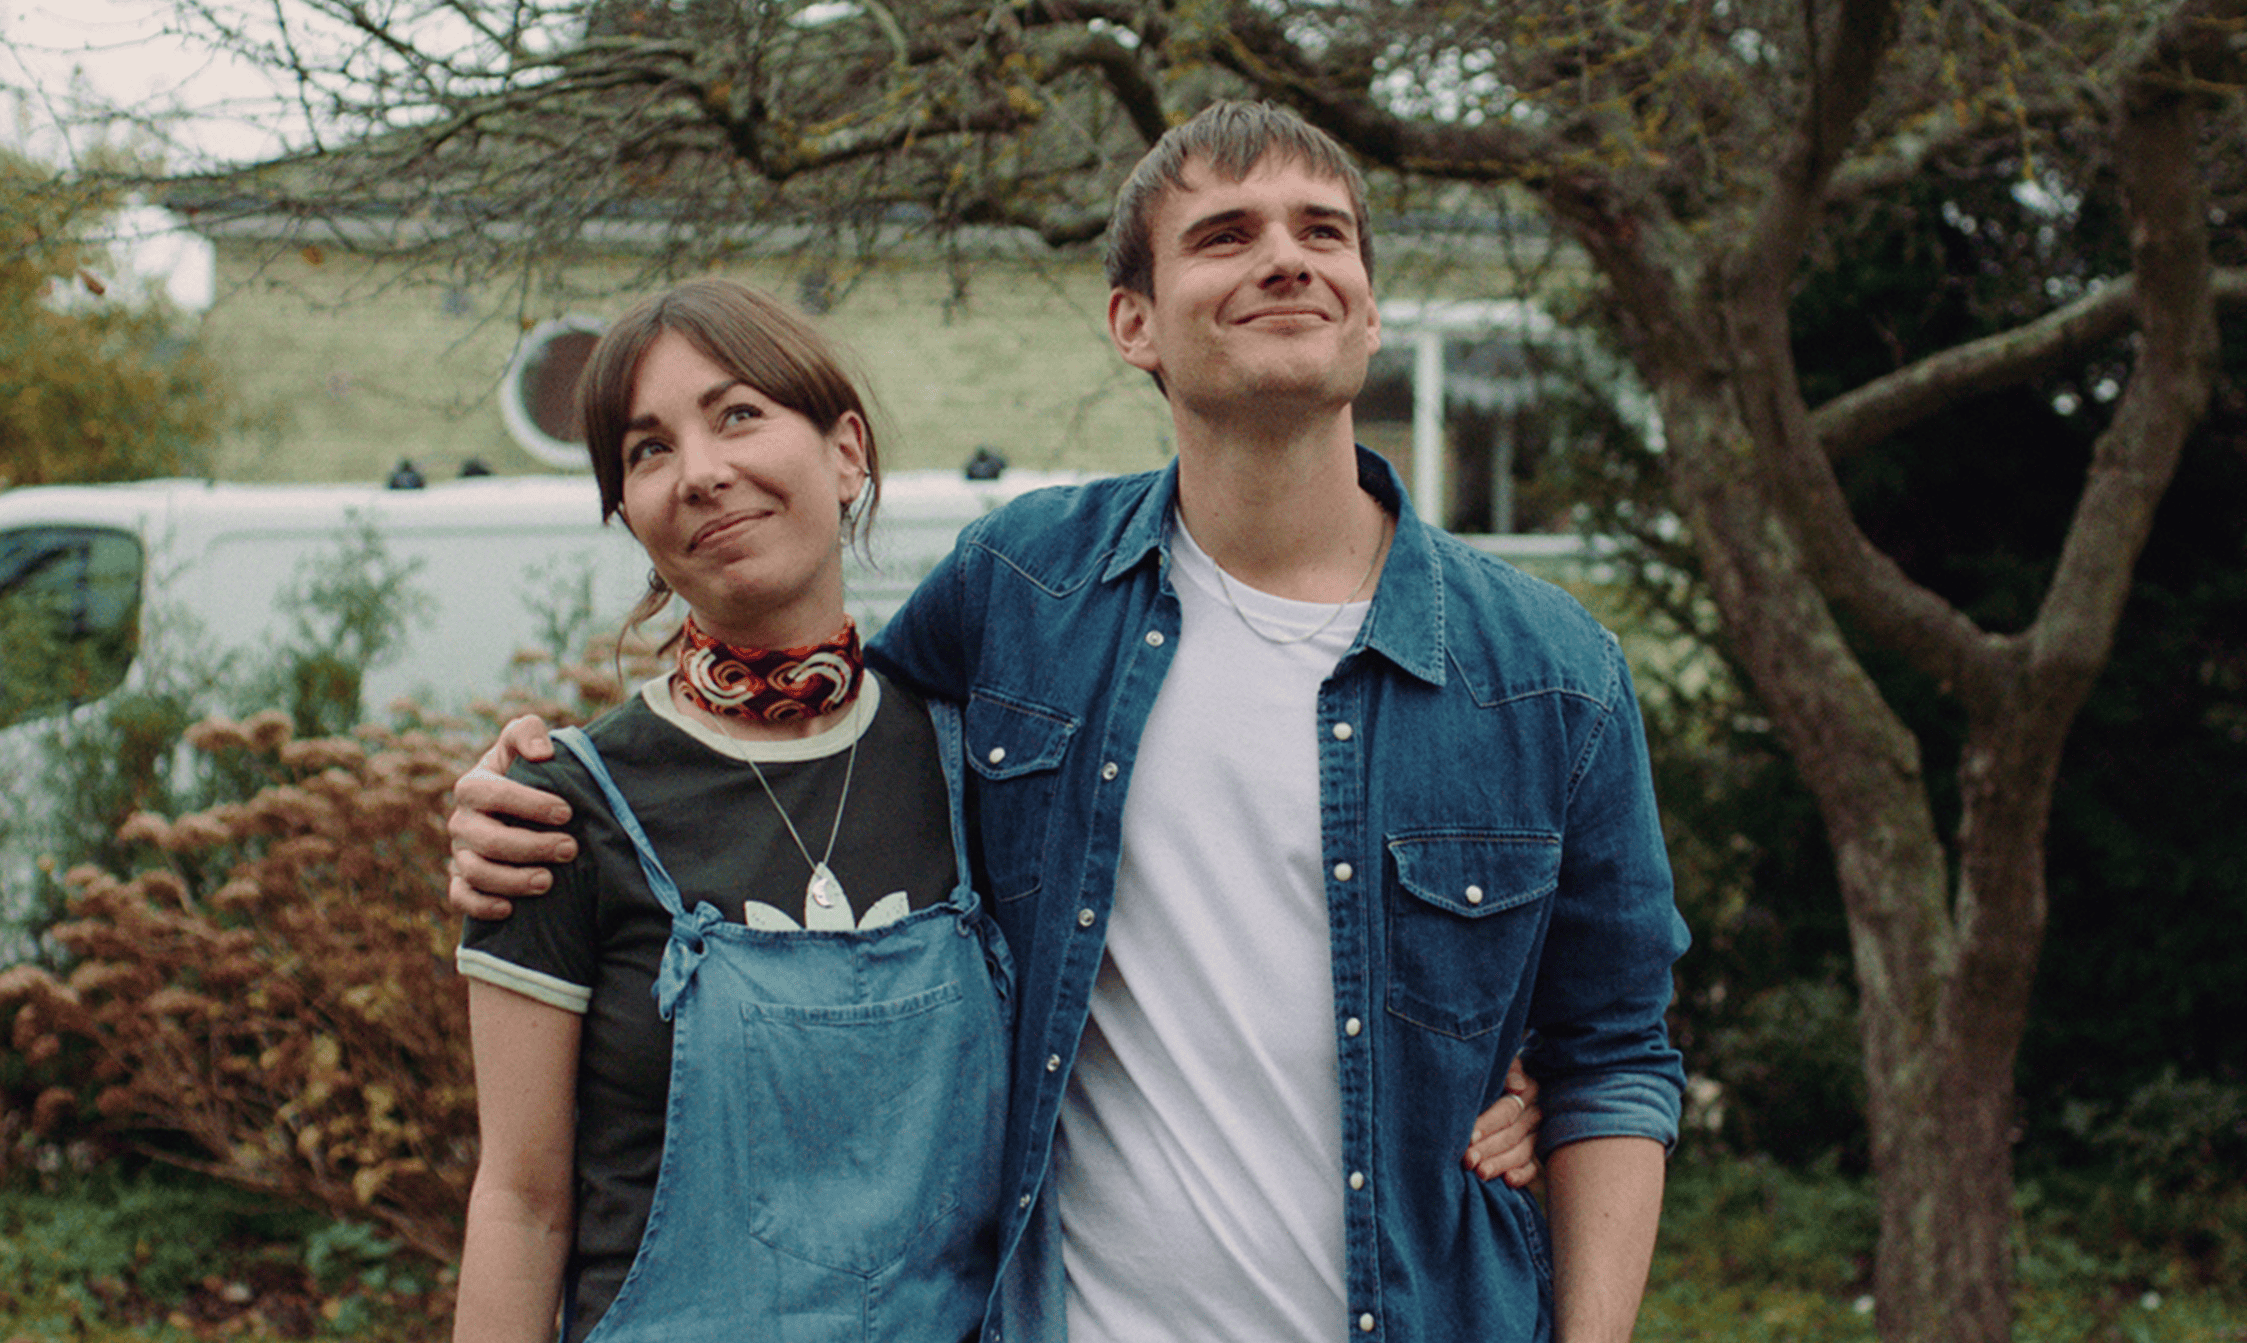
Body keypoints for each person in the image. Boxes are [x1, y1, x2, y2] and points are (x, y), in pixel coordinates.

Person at [454, 101, 1682, 1342]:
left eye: (1323, 231)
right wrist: (516, 792)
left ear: (1367, 307)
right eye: (1225, 234)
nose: (1285, 258)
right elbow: (809, 730)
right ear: (1132, 322)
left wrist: (1540, 1109)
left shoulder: (1552, 676)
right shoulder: (1025, 590)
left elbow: (1617, 1056)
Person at [449, 279, 1011, 1343]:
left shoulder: (979, 765)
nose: (701, 472)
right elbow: (521, 1202)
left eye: (738, 413)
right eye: (647, 449)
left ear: (847, 451)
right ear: (629, 513)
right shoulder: (556, 812)